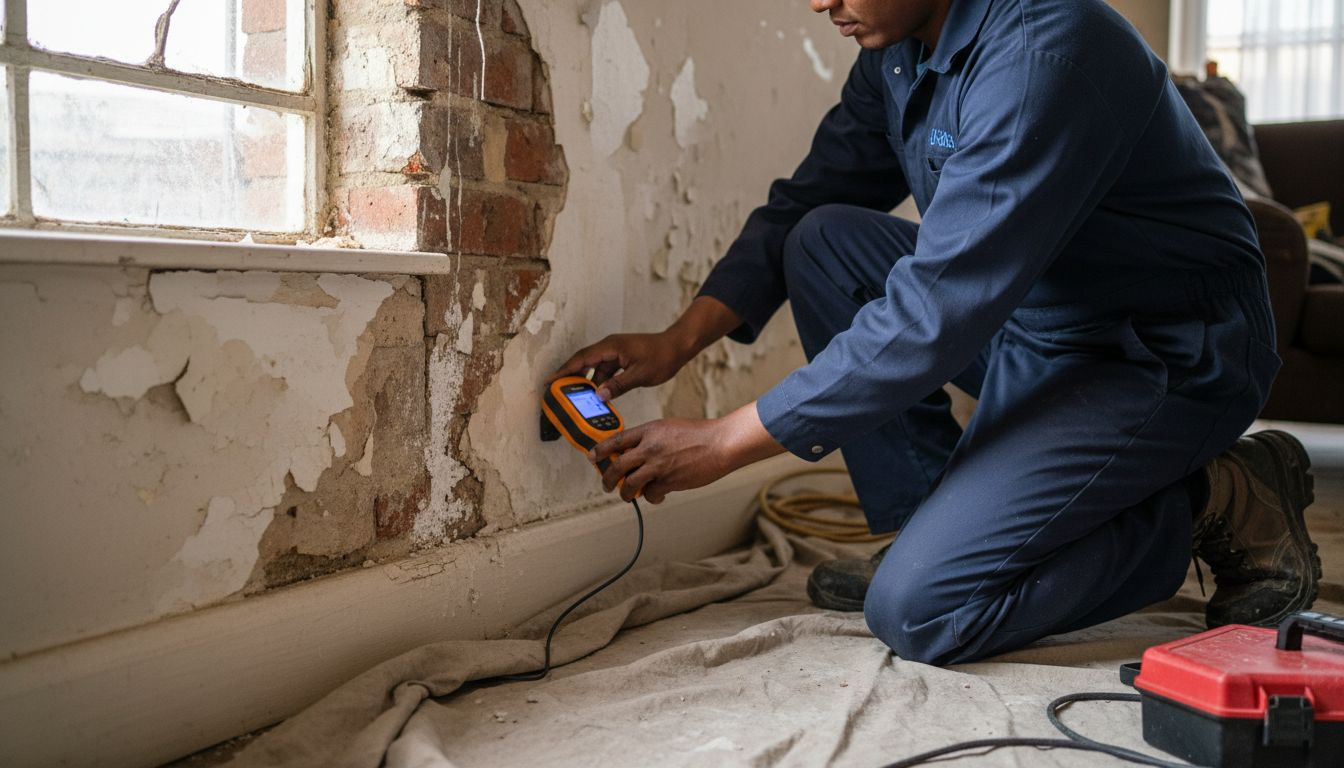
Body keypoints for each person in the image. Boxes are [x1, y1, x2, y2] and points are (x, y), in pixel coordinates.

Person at [550, 0, 1320, 665]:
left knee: (920, 611)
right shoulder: (898, 49)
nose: (819, 4)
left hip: (1161, 352)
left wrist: (724, 442)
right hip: (1031, 318)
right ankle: (932, 525)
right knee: (819, 240)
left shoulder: (1046, 51)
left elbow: (939, 306)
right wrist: (675, 341)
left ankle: (1221, 494)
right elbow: (803, 205)